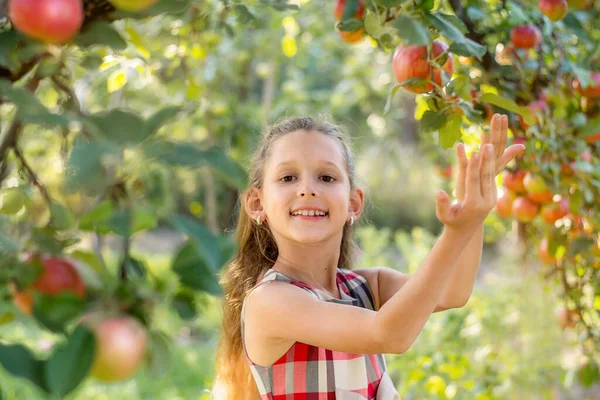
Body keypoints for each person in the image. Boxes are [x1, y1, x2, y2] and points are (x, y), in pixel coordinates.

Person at [213, 114, 525, 399]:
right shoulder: (270, 301)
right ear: (256, 203)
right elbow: (389, 334)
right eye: (287, 178)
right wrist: (457, 231)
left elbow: (452, 292)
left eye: (326, 177)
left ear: (353, 202)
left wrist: (474, 210)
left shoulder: (366, 286)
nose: (307, 189)